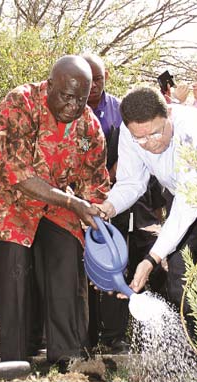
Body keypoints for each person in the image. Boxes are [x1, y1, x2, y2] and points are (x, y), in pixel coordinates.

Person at [0, 55, 110, 365]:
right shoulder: (20, 103)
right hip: (10, 198)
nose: (73, 105)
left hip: (58, 204)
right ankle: (12, 360)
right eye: (66, 96)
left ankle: (68, 360)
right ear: (50, 85)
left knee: (68, 262)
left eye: (80, 99)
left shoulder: (90, 126)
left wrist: (98, 226)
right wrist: (73, 202)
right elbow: (18, 174)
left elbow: (94, 185)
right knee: (15, 270)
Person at [96, 87, 197, 336]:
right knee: (180, 283)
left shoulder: (192, 128)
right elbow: (132, 182)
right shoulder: (132, 132)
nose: (149, 143)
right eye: (140, 138)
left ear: (168, 114)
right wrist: (108, 207)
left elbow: (188, 203)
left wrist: (151, 259)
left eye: (155, 133)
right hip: (179, 195)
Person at [82, 53, 130, 353]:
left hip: (116, 198)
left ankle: (115, 336)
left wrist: (112, 175)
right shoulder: (72, 106)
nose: (95, 86)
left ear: (106, 76)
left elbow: (133, 152)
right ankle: (85, 336)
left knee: (115, 263)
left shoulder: (120, 109)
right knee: (83, 268)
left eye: (99, 79)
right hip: (79, 203)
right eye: (90, 81)